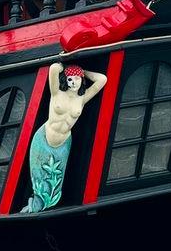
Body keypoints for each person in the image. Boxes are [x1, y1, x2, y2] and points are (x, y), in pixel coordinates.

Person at [22, 62, 107, 213]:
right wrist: (64, 66)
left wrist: (83, 71)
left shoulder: (82, 98)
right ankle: (34, 206)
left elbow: (102, 79)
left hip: (64, 142)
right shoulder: (57, 93)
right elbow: (54, 68)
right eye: (70, 79)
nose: (73, 82)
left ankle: (44, 207)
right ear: (65, 80)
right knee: (39, 179)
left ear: (82, 80)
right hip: (44, 138)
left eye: (77, 79)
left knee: (55, 182)